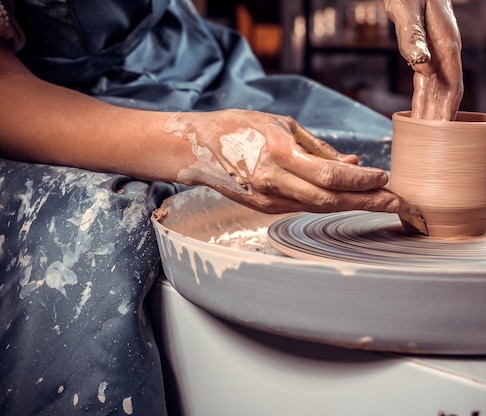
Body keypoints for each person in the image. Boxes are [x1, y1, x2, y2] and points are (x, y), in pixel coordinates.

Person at [0, 0, 462, 414]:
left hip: (178, 56)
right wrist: (197, 147)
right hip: (43, 106)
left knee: (392, 159)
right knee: (105, 232)